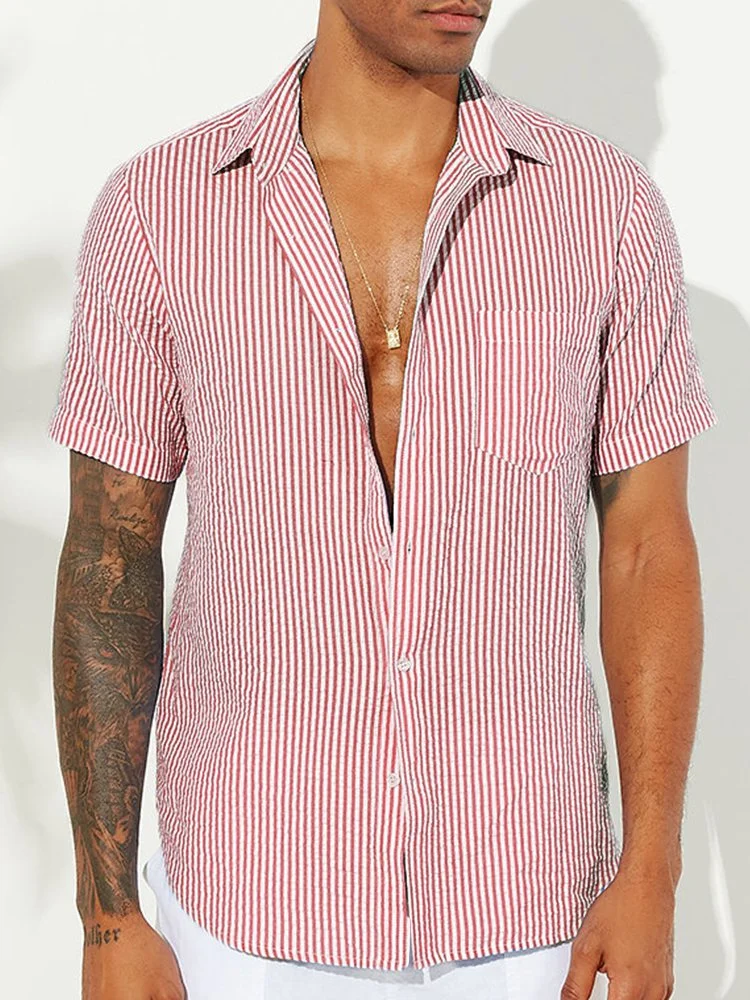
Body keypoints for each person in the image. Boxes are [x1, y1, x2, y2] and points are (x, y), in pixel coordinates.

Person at [48, 3, 718, 999]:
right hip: (245, 907)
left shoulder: (605, 208)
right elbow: (110, 555)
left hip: (532, 909)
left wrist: (653, 868)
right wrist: (108, 920)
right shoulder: (160, 211)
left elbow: (646, 547)